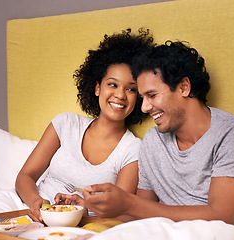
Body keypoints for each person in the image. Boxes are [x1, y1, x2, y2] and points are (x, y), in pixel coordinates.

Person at [82, 40, 234, 240]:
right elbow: (140, 215)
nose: (144, 107)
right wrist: (82, 215)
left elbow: (221, 219)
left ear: (184, 87)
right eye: (143, 97)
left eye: (152, 95)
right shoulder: (153, 141)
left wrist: (129, 203)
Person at [15, 29, 155, 222]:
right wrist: (36, 202)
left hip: (84, 224)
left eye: (131, 89)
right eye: (112, 85)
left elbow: (121, 211)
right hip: (29, 212)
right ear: (97, 88)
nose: (121, 95)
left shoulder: (133, 150)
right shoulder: (65, 124)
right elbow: (25, 176)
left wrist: (85, 208)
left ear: (139, 98)